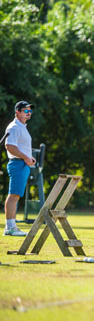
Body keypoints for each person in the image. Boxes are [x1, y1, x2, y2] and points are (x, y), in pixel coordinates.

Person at [3, 101, 36, 236]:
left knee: (16, 195)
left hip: (22, 163)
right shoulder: (14, 127)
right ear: (17, 112)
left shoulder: (22, 127)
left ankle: (12, 226)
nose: (29, 113)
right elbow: (10, 146)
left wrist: (29, 158)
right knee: (13, 195)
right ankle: (10, 227)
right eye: (26, 111)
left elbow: (19, 147)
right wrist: (26, 158)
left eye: (30, 111)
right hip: (17, 163)